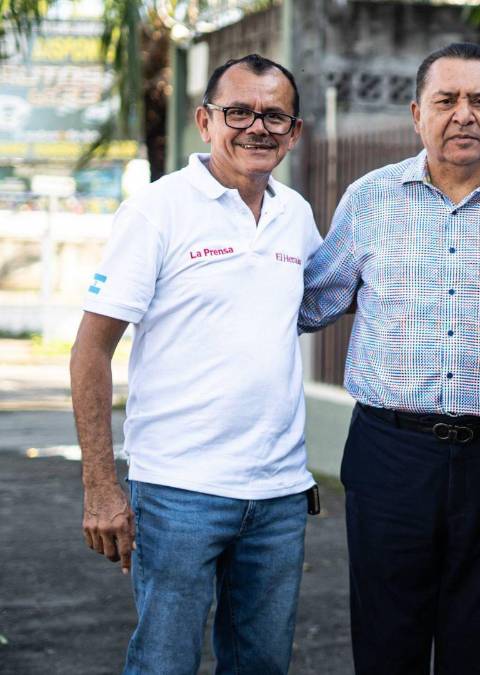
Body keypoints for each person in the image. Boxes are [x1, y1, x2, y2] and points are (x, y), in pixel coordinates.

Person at [300, 43, 480, 674]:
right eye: (446, 101)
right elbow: (310, 303)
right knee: (387, 644)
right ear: (417, 113)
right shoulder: (371, 198)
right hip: (390, 452)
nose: (463, 115)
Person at [70, 54, 319, 673]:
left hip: (279, 494)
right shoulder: (158, 210)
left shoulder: (296, 214)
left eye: (274, 116)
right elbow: (91, 350)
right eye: (239, 112)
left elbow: (323, 302)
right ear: (205, 121)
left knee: (262, 665)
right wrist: (101, 486)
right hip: (179, 490)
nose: (256, 128)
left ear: (294, 132)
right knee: (164, 662)